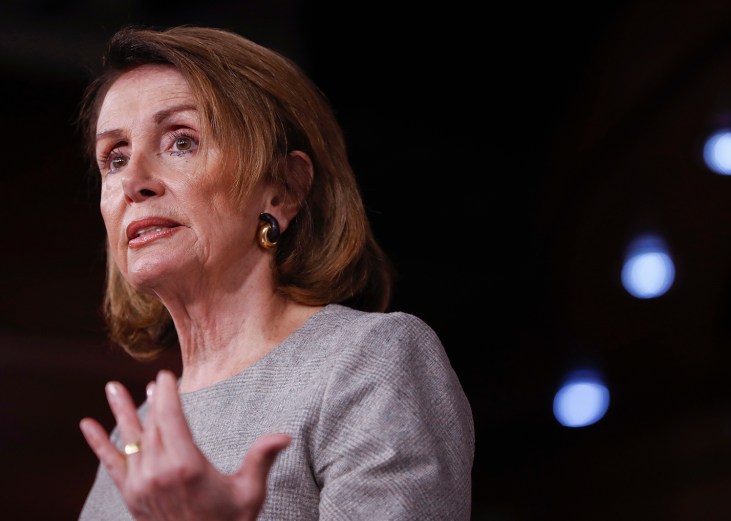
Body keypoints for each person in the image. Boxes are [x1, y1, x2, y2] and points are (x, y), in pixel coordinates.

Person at [76, 24, 474, 521]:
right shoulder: (132, 436)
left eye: (181, 142)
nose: (133, 181)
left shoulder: (367, 361)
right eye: (114, 157)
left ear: (283, 190)